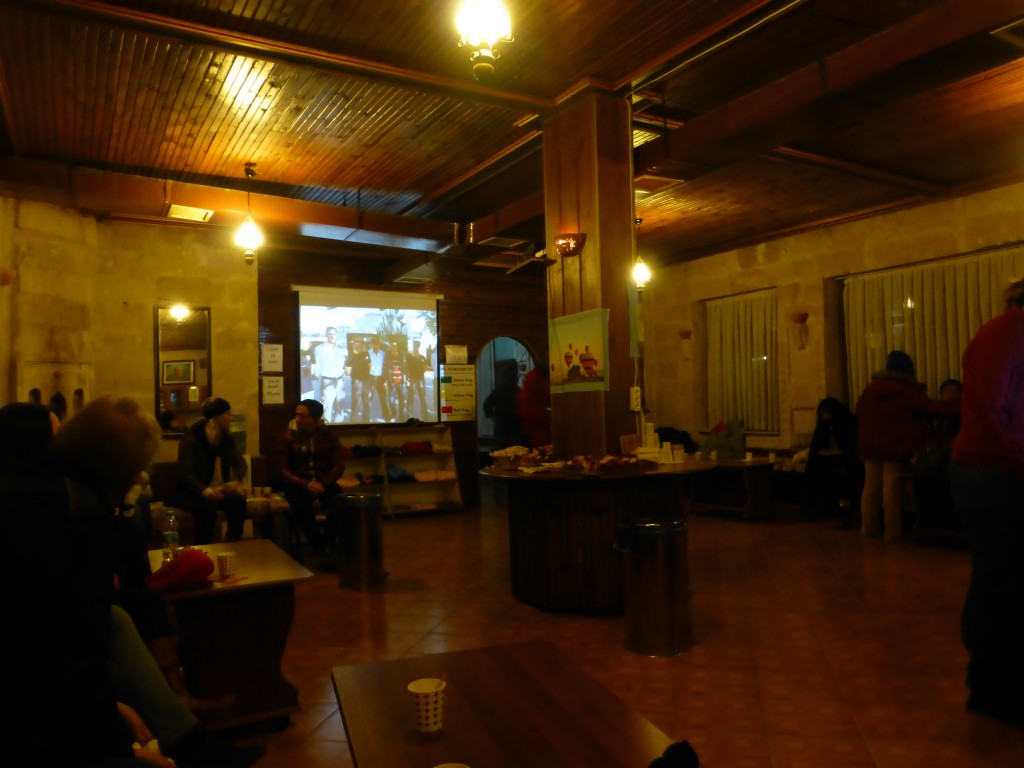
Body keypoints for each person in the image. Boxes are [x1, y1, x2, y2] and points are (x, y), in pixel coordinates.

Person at [2, 397, 263, 767]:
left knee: (123, 617)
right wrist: (117, 731)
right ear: (119, 470)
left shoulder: (35, 487)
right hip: (32, 711)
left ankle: (186, 733)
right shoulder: (76, 513)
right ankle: (187, 735)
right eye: (138, 470)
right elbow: (76, 648)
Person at [949, 276, 1024, 729]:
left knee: (1005, 578)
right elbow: (992, 409)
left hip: (998, 466)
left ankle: (997, 681)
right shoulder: (1007, 330)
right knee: (1001, 579)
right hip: (990, 471)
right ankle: (990, 686)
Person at [855, 350, 959, 541]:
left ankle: (869, 529)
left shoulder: (870, 390)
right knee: (892, 489)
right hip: (894, 447)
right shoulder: (906, 392)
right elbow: (935, 408)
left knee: (870, 488)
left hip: (869, 446)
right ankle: (893, 533)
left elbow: (859, 410)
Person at [275, 399, 347, 570]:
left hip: (323, 482)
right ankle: (320, 548)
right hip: (298, 483)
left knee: (341, 502)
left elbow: (339, 465)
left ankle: (327, 544)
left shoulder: (329, 436)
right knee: (301, 506)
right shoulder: (288, 436)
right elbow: (282, 469)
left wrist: (322, 483)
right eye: (296, 414)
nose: (297, 418)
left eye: (302, 415)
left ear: (314, 418)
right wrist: (306, 483)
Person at [176, 397, 248, 544]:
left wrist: (234, 482)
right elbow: (186, 474)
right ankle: (204, 548)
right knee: (206, 509)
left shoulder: (227, 438)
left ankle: (233, 542)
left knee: (239, 503)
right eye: (226, 414)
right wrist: (207, 491)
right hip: (197, 492)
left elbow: (241, 464)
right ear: (216, 417)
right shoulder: (191, 439)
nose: (230, 418)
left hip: (220, 490)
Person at [910, 378, 963, 537]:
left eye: (956, 392)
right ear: (940, 394)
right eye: (948, 391)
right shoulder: (933, 414)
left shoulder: (960, 414)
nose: (952, 395)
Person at [805, 397, 863, 528]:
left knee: (846, 477)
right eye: (822, 413)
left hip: (844, 458)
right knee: (812, 469)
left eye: (827, 412)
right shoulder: (822, 426)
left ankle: (843, 511)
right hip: (826, 458)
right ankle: (817, 506)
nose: (825, 416)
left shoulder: (848, 423)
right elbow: (815, 444)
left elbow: (852, 448)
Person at [483, 359, 522, 448]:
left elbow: (487, 404)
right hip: (514, 428)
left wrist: (493, 415)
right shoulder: (516, 390)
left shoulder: (500, 388)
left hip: (502, 427)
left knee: (502, 455)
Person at [313, 327, 346, 423]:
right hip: (327, 381)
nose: (332, 336)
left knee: (340, 407)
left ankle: (340, 429)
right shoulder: (319, 349)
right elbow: (317, 364)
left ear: (336, 335)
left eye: (334, 334)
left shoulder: (341, 348)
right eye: (330, 334)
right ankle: (326, 430)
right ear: (326, 335)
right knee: (327, 407)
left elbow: (344, 363)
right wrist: (316, 374)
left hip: (340, 380)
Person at [517, 366, 551, 448]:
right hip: (540, 435)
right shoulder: (533, 377)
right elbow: (525, 409)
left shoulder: (532, 377)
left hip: (541, 434)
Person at [366, 336, 390, 422]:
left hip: (380, 378)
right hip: (371, 378)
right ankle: (366, 416)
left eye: (377, 344)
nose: (376, 346)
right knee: (368, 398)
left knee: (383, 398)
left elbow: (385, 366)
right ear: (372, 344)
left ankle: (386, 415)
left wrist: (385, 379)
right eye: (374, 344)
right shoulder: (368, 353)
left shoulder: (383, 353)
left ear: (379, 344)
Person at [347, 338, 371, 422]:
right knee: (356, 401)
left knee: (366, 402)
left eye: (360, 342)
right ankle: (353, 421)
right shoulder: (351, 355)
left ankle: (366, 420)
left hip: (366, 380)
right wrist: (354, 376)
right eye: (357, 342)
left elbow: (369, 365)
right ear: (354, 344)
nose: (359, 344)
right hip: (356, 381)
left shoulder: (366, 353)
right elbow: (347, 370)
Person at [406, 339, 429, 420]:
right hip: (411, 379)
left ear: (419, 347)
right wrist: (407, 380)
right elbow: (406, 368)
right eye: (415, 345)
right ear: (413, 346)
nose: (416, 347)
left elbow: (425, 367)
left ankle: (425, 413)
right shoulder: (409, 357)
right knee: (410, 396)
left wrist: (422, 371)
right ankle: (408, 413)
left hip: (420, 380)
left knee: (422, 397)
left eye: (417, 346)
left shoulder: (422, 357)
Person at [385, 339, 407, 422]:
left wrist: (406, 379)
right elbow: (385, 367)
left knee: (401, 399)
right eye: (391, 346)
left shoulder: (401, 355)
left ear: (397, 346)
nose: (392, 347)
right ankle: (393, 414)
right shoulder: (387, 355)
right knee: (392, 399)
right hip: (392, 381)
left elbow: (405, 367)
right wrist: (385, 380)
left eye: (394, 345)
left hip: (400, 381)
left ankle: (401, 415)